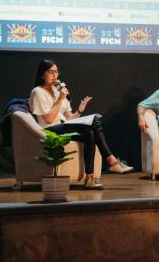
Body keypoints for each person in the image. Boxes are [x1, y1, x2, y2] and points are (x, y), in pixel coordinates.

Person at [30, 59, 133, 190]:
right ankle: (111, 160)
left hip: (63, 126)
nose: (55, 75)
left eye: (56, 72)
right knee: (94, 121)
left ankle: (89, 179)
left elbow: (68, 117)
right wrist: (61, 99)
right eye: (51, 72)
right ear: (42, 74)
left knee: (89, 133)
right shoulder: (37, 92)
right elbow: (49, 119)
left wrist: (80, 110)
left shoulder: (57, 91)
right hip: (49, 130)